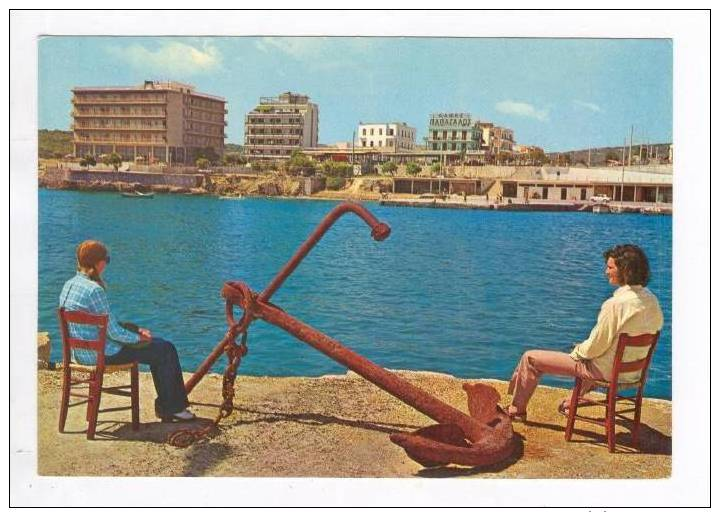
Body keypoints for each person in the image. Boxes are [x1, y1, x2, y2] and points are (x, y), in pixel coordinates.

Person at [505, 244, 663, 421]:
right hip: (634, 372)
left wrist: (578, 350)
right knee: (594, 357)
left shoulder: (615, 305)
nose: (606, 271)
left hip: (607, 372)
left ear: (625, 270)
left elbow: (594, 348)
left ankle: (515, 411)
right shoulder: (651, 300)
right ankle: (570, 403)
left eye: (610, 267)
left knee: (531, 358)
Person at [59, 240, 195, 422]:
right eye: (106, 259)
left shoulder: (69, 285)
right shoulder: (94, 290)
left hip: (80, 353)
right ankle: (173, 408)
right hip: (101, 355)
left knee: (158, 348)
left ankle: (168, 406)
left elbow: (102, 322)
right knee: (165, 349)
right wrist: (139, 338)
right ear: (98, 263)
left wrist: (136, 331)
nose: (106, 263)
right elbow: (113, 332)